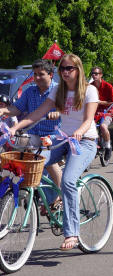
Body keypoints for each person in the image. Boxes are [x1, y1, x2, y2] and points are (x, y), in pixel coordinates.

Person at [9, 54, 99, 251]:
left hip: (85, 142)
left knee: (68, 180)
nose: (65, 72)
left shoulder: (89, 90)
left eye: (70, 69)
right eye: (63, 69)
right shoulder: (58, 90)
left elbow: (88, 119)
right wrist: (16, 128)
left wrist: (79, 132)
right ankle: (52, 201)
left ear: (78, 69)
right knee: (35, 162)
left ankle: (72, 233)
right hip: (62, 139)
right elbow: (37, 113)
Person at [0, 59, 62, 209]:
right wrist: (4, 111)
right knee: (18, 152)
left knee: (48, 160)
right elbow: (17, 109)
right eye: (35, 74)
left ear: (51, 75)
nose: (37, 78)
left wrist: (58, 113)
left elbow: (68, 110)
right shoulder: (30, 91)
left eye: (41, 74)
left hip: (54, 135)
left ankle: (62, 195)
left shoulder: (58, 90)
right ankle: (25, 188)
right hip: (33, 134)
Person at [90, 66, 113, 159]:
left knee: (103, 126)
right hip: (94, 112)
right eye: (92, 73)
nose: (94, 75)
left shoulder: (108, 86)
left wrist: (100, 102)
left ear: (101, 75)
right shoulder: (90, 86)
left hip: (107, 111)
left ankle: (108, 147)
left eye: (96, 73)